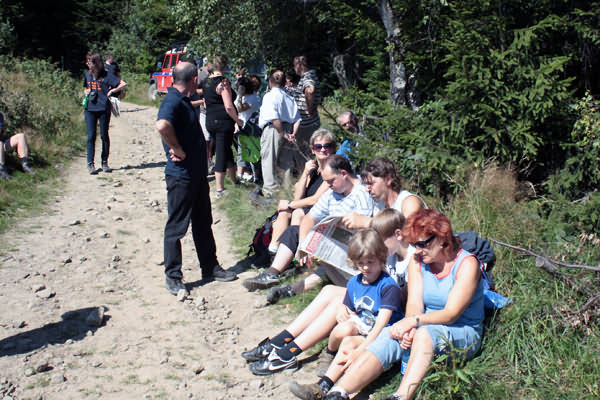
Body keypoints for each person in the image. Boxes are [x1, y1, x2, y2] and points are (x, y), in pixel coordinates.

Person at [321, 209, 485, 400]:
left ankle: (401, 396)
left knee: (425, 334)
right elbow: (414, 302)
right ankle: (339, 392)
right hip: (424, 322)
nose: (418, 250)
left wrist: (414, 322)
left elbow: (451, 313)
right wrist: (409, 327)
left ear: (441, 238)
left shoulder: (467, 264)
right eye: (414, 245)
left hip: (461, 329)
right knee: (389, 334)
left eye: (422, 244)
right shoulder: (418, 261)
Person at [242, 208, 414, 377]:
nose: (377, 248)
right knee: (329, 291)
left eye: (381, 242)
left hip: (389, 313)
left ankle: (288, 353)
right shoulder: (390, 254)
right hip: (374, 301)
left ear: (398, 235)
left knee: (336, 303)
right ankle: (280, 342)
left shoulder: (409, 261)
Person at [267, 157, 425, 304]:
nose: (368, 189)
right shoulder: (380, 205)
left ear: (388, 179)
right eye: (366, 184)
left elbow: (407, 234)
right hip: (386, 268)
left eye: (371, 184)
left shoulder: (408, 201)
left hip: (404, 274)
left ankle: (354, 296)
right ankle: (294, 290)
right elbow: (310, 218)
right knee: (325, 259)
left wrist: (366, 222)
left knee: (334, 288)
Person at [288, 228, 404, 400]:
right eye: (361, 263)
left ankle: (328, 388)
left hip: (383, 335)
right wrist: (342, 308)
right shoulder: (355, 282)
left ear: (381, 259)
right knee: (347, 337)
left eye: (371, 262)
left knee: (351, 344)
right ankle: (323, 386)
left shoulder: (388, 287)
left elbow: (381, 325)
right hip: (364, 328)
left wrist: (362, 349)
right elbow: (348, 304)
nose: (366, 267)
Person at [156, 61, 237, 296]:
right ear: (192, 80)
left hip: (197, 175)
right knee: (177, 227)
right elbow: (162, 125)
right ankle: (173, 277)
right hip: (181, 177)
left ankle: (210, 267)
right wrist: (176, 148)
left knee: (203, 222)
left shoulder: (183, 99)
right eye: (198, 79)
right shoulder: (172, 101)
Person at [242, 154, 374, 293]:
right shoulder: (332, 193)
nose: (329, 186)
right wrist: (303, 245)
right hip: (331, 240)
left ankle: (290, 290)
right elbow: (309, 218)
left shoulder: (364, 191)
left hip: (354, 244)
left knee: (326, 265)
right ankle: (272, 273)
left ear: (344, 174)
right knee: (294, 231)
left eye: (331, 181)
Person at [253, 128, 335, 271]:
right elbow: (298, 197)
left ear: (333, 148)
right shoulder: (314, 169)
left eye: (327, 146)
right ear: (313, 149)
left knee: (296, 212)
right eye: (318, 146)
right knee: (284, 213)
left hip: (324, 212)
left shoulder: (334, 169)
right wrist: (305, 173)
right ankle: (273, 253)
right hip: (307, 208)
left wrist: (290, 204)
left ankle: (295, 258)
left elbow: (315, 200)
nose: (323, 149)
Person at [203, 54, 243, 198]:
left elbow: (205, 103)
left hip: (210, 120)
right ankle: (219, 189)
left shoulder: (207, 82)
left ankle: (234, 180)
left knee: (226, 150)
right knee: (221, 153)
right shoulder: (223, 82)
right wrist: (238, 120)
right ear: (225, 67)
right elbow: (228, 106)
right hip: (223, 122)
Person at [256, 69, 301, 196]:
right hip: (288, 129)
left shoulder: (269, 96)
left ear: (270, 82)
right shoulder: (289, 98)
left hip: (274, 129)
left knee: (269, 160)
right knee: (286, 162)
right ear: (284, 83)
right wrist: (292, 134)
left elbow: (274, 117)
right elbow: (297, 119)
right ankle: (286, 190)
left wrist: (282, 133)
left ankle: (271, 191)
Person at [83, 53, 126, 174]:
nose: (87, 64)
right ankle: (90, 163)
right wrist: (86, 91)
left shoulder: (106, 75)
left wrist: (112, 91)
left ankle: (104, 162)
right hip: (90, 108)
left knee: (104, 135)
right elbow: (85, 87)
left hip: (103, 108)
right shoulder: (87, 74)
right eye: (87, 62)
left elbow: (123, 83)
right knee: (91, 136)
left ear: (96, 63)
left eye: (89, 62)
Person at [292, 55, 322, 171]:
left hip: (306, 123)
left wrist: (309, 108)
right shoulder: (310, 75)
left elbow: (310, 90)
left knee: (303, 152)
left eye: (294, 65)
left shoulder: (307, 77)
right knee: (310, 151)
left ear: (300, 65)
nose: (294, 68)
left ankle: (305, 176)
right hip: (310, 122)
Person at [234, 75, 262, 182]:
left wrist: (239, 96)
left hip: (252, 128)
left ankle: (256, 177)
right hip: (242, 127)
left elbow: (240, 109)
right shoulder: (245, 96)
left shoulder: (253, 98)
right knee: (241, 152)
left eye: (240, 88)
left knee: (253, 152)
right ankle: (240, 176)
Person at [0, 112, 35, 179]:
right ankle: (1, 170)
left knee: (21, 136)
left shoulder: (0, 115)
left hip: (2, 144)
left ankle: (25, 165)